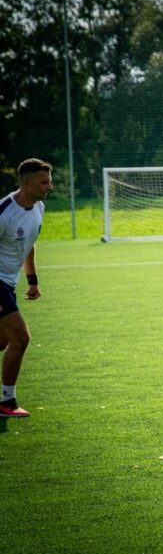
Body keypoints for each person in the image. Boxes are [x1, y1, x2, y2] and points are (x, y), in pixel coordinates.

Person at [0, 159, 53, 418]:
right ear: (27, 183)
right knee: (21, 337)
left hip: (8, 284)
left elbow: (29, 243)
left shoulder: (38, 207)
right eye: (45, 182)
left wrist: (32, 280)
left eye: (49, 181)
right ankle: (6, 402)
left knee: (3, 341)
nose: (50, 187)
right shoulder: (4, 213)